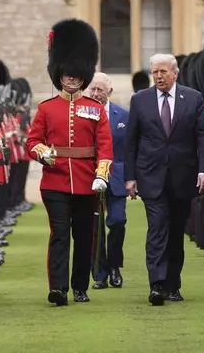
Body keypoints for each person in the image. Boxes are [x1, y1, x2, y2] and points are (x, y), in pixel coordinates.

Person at [26, 19, 113, 306]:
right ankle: (59, 288)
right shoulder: (47, 109)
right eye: (67, 75)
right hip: (55, 181)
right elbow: (32, 142)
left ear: (83, 76)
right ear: (59, 74)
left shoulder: (95, 109)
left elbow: (105, 147)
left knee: (84, 237)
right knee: (60, 235)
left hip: (87, 182)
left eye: (76, 76)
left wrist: (102, 174)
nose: (71, 79)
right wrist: (44, 153)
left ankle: (79, 287)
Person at [124, 53, 204, 305]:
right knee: (157, 229)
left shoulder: (193, 98)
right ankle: (157, 285)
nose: (159, 77)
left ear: (175, 73)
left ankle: (173, 284)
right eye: (155, 72)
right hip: (151, 177)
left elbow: (203, 137)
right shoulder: (140, 100)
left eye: (163, 72)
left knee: (175, 233)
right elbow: (131, 142)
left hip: (183, 176)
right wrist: (129, 177)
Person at [87, 72, 130, 289]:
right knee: (94, 227)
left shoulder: (123, 116)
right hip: (88, 176)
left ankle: (114, 266)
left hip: (116, 178)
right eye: (92, 89)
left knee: (117, 221)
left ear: (109, 92)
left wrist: (132, 178)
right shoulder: (80, 115)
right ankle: (100, 274)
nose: (96, 94)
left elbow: (131, 150)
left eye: (100, 90)